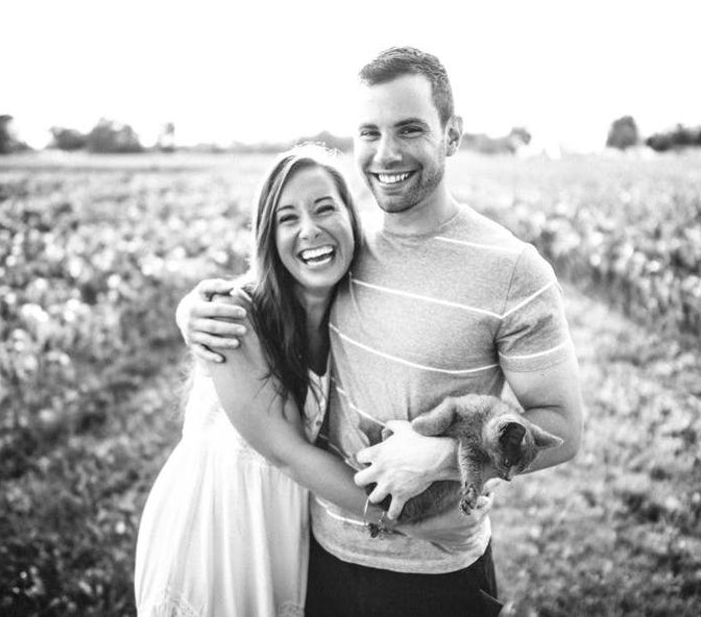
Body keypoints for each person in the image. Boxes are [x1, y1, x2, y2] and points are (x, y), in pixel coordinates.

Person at [176, 47, 584, 616]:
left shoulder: (513, 270)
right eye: (369, 132)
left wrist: (444, 458)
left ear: (452, 134)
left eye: (409, 129)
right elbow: (267, 290)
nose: (386, 153)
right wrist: (193, 308)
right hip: (322, 555)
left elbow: (563, 427)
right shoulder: (347, 244)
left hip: (438, 569)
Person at [135, 145, 470, 617]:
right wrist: (415, 523)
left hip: (287, 529)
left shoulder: (352, 314)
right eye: (287, 218)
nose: (309, 230)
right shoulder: (234, 317)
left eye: (325, 208)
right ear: (268, 237)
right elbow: (286, 453)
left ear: (352, 218)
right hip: (217, 531)